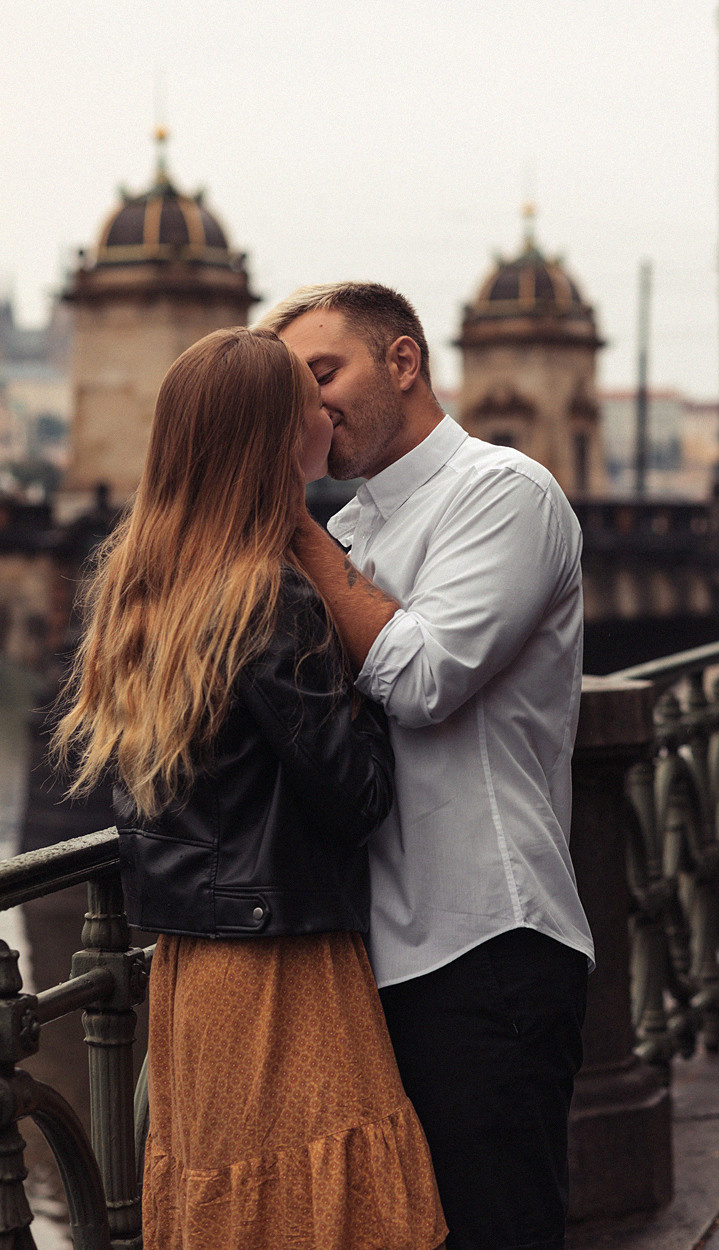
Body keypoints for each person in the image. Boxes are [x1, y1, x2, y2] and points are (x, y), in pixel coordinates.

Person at [51, 326, 447, 1250]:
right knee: (326, 1212)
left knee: (233, 1208)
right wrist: (376, 679)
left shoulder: (144, 583)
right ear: (275, 433)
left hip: (193, 964)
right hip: (284, 963)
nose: (325, 408)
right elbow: (354, 795)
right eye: (305, 394)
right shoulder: (269, 595)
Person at [260, 283, 595, 1250]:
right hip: (367, 957)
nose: (311, 407)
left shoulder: (504, 492)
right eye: (295, 389)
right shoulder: (353, 532)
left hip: (485, 943)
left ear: (402, 363)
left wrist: (291, 528)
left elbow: (418, 677)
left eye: (327, 373)